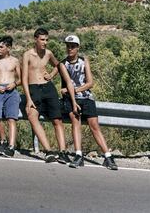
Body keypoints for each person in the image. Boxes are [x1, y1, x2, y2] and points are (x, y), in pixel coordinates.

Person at [61, 35, 118, 170]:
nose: (70, 49)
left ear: (78, 48)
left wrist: (73, 91)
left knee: (94, 126)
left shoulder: (84, 61)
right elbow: (66, 83)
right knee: (76, 123)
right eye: (68, 46)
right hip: (71, 99)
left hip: (86, 97)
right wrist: (71, 97)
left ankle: (108, 156)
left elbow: (90, 83)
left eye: (73, 46)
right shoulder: (63, 64)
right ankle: (78, 155)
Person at [22, 28, 78, 163]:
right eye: (42, 39)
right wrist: (28, 98)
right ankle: (48, 151)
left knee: (57, 120)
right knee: (32, 116)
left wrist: (52, 75)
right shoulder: (27, 55)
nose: (45, 42)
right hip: (33, 88)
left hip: (48, 88)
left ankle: (63, 152)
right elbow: (24, 78)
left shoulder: (48, 54)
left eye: (47, 40)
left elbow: (59, 65)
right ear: (35, 39)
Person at [0, 36, 21, 157]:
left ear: (8, 48)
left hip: (12, 91)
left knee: (12, 118)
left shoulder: (15, 61)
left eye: (1, 47)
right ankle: (3, 140)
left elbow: (21, 79)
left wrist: (14, 84)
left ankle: (11, 147)